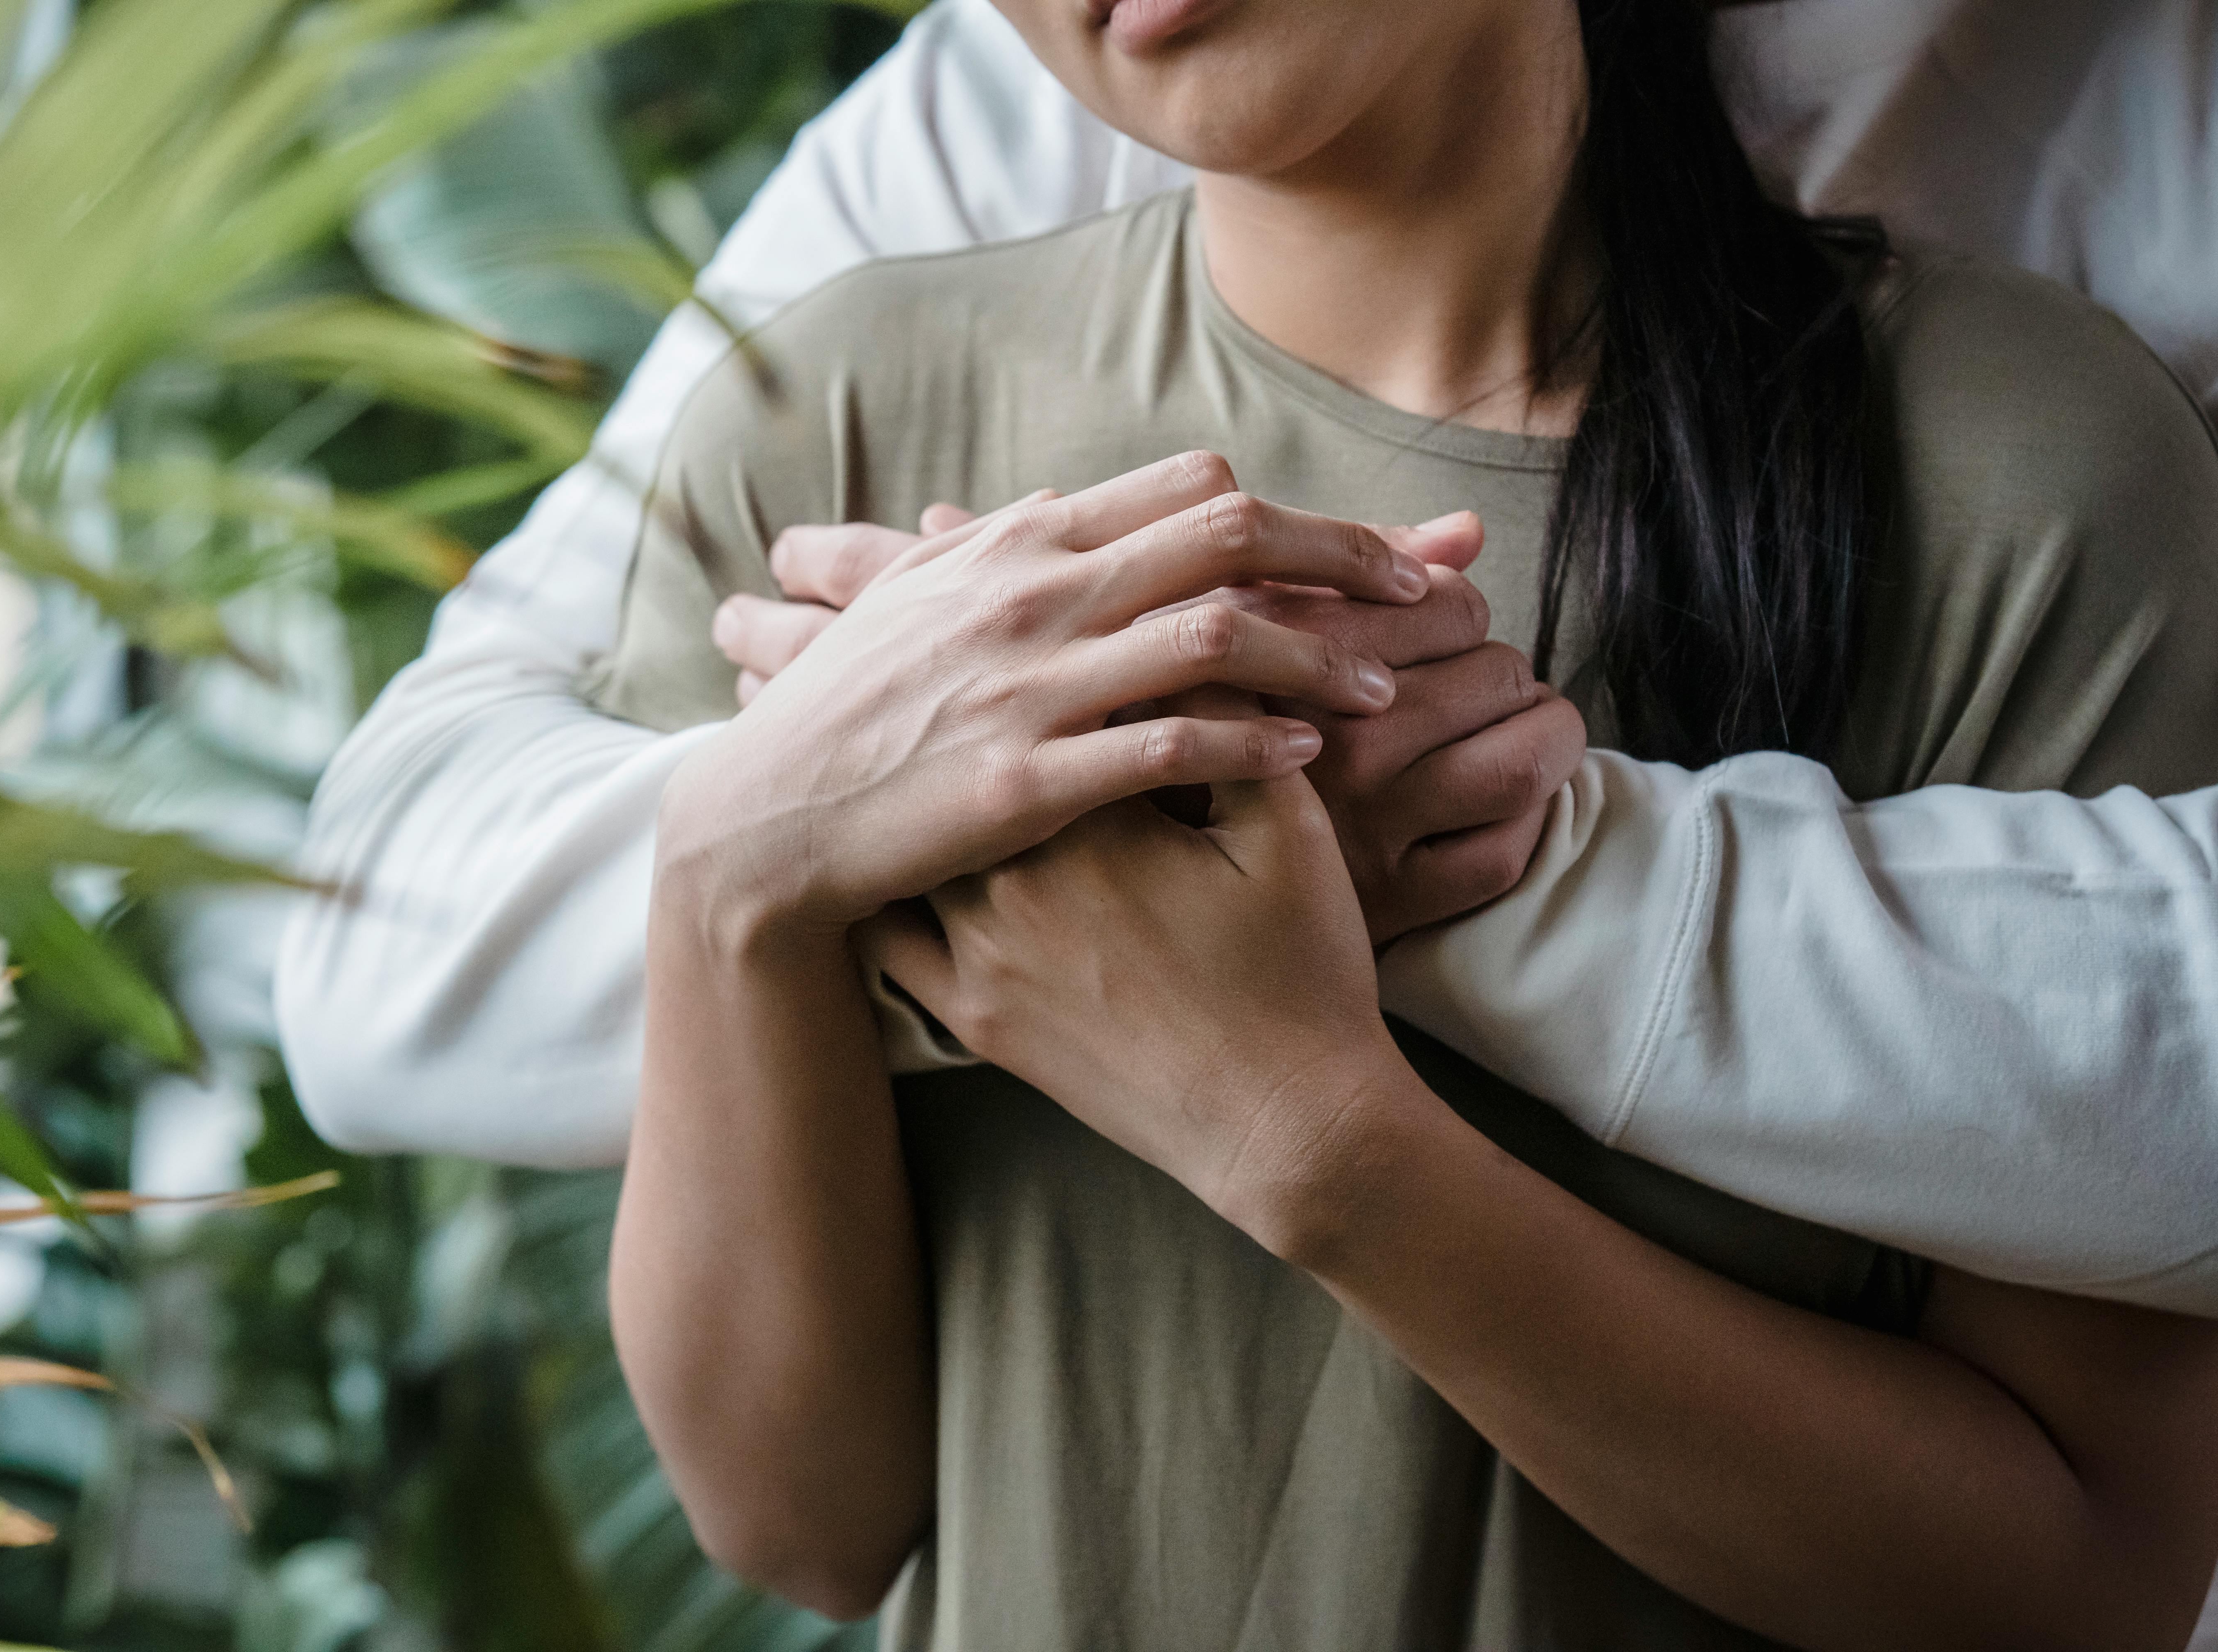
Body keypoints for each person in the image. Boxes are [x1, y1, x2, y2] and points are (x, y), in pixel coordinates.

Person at [599, 0, 2218, 1646]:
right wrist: (729, 877)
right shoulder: (832, 422)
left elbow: (2085, 1586)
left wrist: (1315, 1143)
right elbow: (801, 1520)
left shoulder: (2019, 475)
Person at [274, 0, 2218, 1316]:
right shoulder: (987, 164)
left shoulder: (2054, 370)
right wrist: (833, 834)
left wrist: (1479, 864)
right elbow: (379, 949)